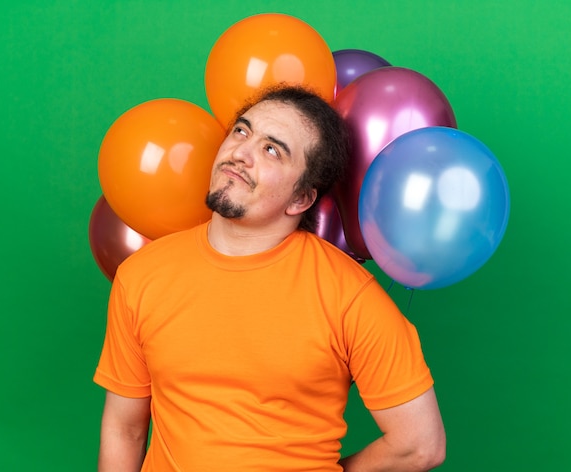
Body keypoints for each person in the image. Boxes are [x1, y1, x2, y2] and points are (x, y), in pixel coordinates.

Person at [94, 85, 446, 471]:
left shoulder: (351, 296)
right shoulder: (143, 274)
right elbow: (124, 427)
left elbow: (419, 444)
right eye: (242, 132)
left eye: (272, 150)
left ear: (301, 199)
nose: (240, 153)